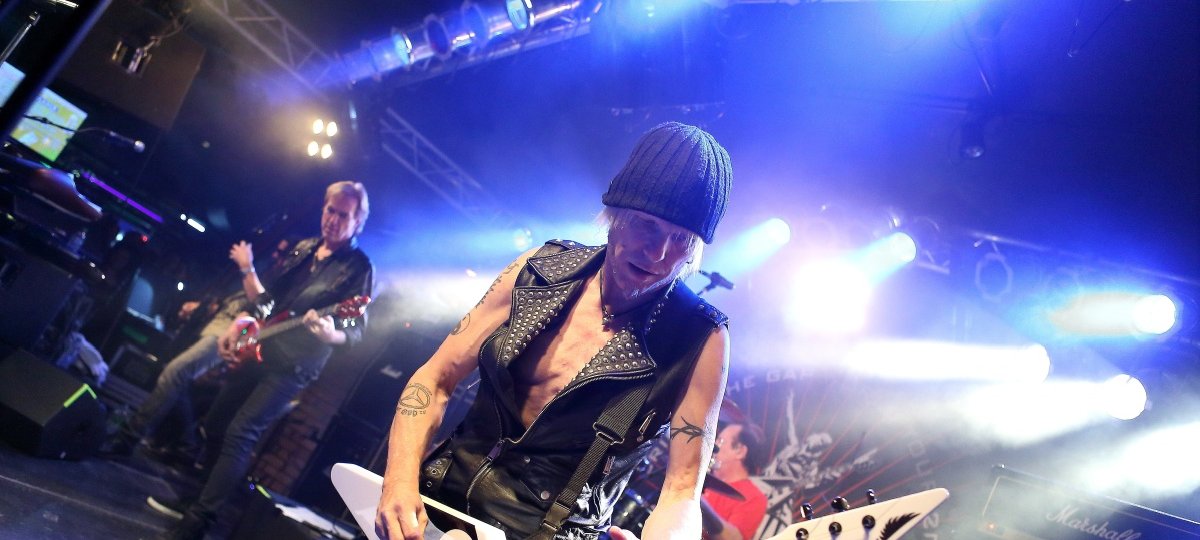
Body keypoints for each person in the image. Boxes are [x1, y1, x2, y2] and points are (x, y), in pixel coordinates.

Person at [376, 122, 734, 540]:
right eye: (647, 225)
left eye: (681, 239)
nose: (658, 253)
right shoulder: (540, 269)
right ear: (615, 214)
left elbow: (681, 491)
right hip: (436, 509)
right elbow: (436, 377)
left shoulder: (699, 339)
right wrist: (398, 482)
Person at [109, 181, 375, 540]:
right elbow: (268, 300)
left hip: (294, 366)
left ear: (358, 221)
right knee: (216, 422)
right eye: (331, 210)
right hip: (262, 347)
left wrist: (331, 334)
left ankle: (200, 520)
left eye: (344, 215)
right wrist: (243, 322)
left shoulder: (358, 268)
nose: (334, 219)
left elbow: (354, 332)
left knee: (241, 431)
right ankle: (199, 497)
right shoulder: (305, 248)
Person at [701, 422, 769, 540]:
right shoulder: (703, 479)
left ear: (740, 451)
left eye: (720, 441)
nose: (714, 445)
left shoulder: (754, 497)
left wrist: (700, 504)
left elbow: (733, 538)